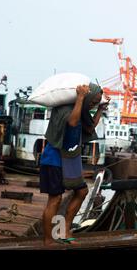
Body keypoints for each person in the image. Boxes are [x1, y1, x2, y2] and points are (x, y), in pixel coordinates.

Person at [40, 83, 110, 245]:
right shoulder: (63, 108)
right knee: (55, 199)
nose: (94, 104)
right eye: (93, 101)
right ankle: (48, 240)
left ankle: (65, 229)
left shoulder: (82, 110)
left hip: (70, 159)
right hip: (53, 159)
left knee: (82, 191)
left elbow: (90, 127)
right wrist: (80, 98)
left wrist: (100, 109)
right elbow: (72, 122)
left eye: (96, 102)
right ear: (85, 97)